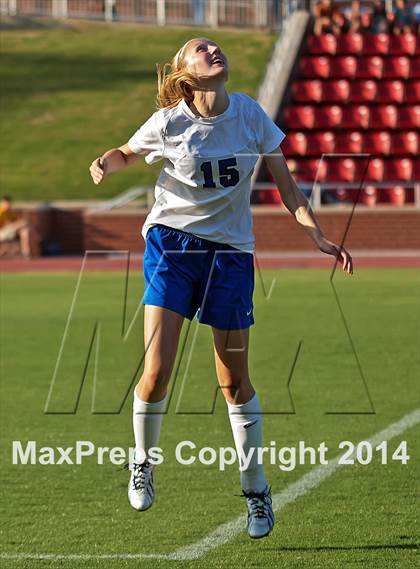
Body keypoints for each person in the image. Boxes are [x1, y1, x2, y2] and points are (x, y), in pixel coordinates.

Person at [89, 37, 353, 539]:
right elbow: (126, 151)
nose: (213, 49)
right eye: (199, 48)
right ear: (186, 74)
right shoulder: (170, 122)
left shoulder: (250, 115)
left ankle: (256, 492)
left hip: (230, 254)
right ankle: (141, 461)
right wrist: (106, 162)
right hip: (172, 245)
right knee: (157, 369)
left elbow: (287, 184)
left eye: (213, 46)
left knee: (233, 381)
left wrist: (315, 232)